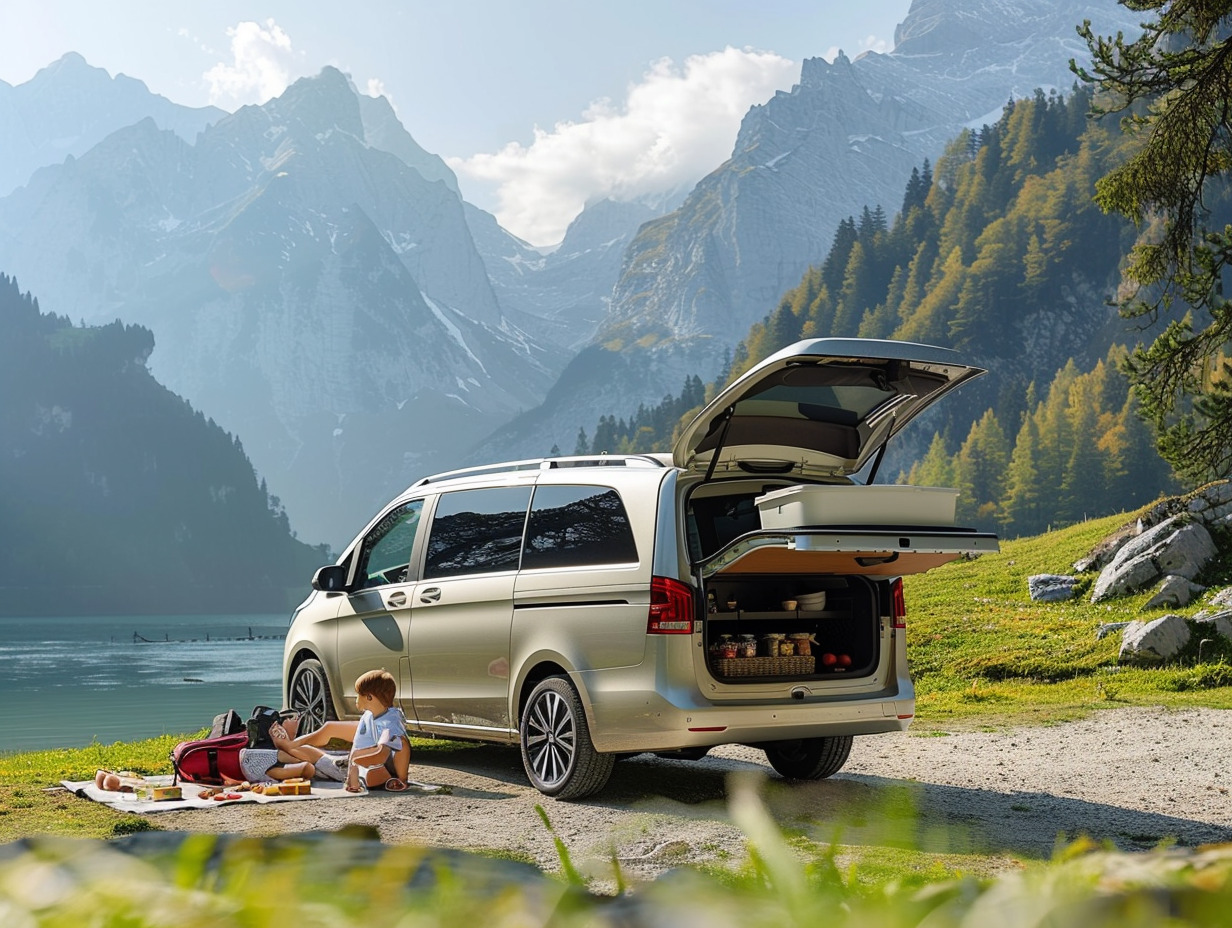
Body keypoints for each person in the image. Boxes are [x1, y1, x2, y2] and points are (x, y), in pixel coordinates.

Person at [273, 668, 411, 792]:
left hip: (357, 769)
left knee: (307, 754)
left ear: (369, 697)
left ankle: (284, 750)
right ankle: (289, 746)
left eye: (359, 695)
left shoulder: (389, 723)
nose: (356, 699)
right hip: (355, 761)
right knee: (328, 729)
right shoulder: (372, 715)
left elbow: (385, 752)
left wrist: (354, 764)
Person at [235, 714, 317, 784]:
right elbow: (307, 767)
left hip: (250, 761)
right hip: (250, 763)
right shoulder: (269, 766)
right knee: (307, 765)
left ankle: (286, 743)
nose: (295, 719)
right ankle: (286, 743)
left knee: (305, 761)